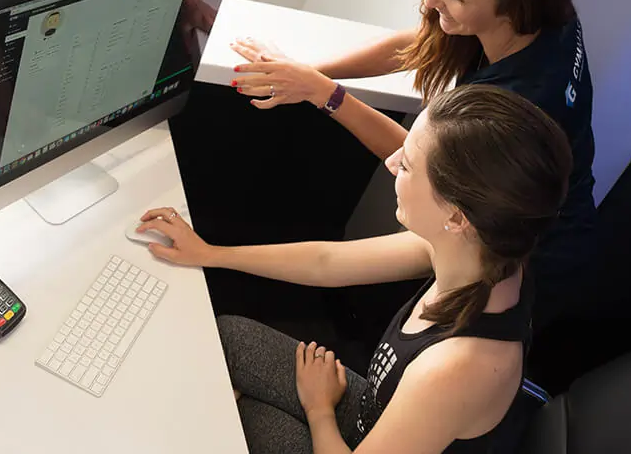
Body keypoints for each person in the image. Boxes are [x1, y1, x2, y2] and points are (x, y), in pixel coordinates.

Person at [137, 85, 573, 454]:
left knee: (235, 420)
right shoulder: (485, 250)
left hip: (359, 428)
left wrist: (320, 409)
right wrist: (211, 253)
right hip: (377, 408)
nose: (390, 163)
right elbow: (327, 262)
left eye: (408, 164)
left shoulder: (457, 369)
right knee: (227, 337)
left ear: (457, 216)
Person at [230, 0, 596, 331]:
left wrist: (324, 93)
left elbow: (420, 161)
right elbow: (430, 39)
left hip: (529, 260)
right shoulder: (547, 21)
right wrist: (311, 72)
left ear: (511, 7)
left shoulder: (513, 107)